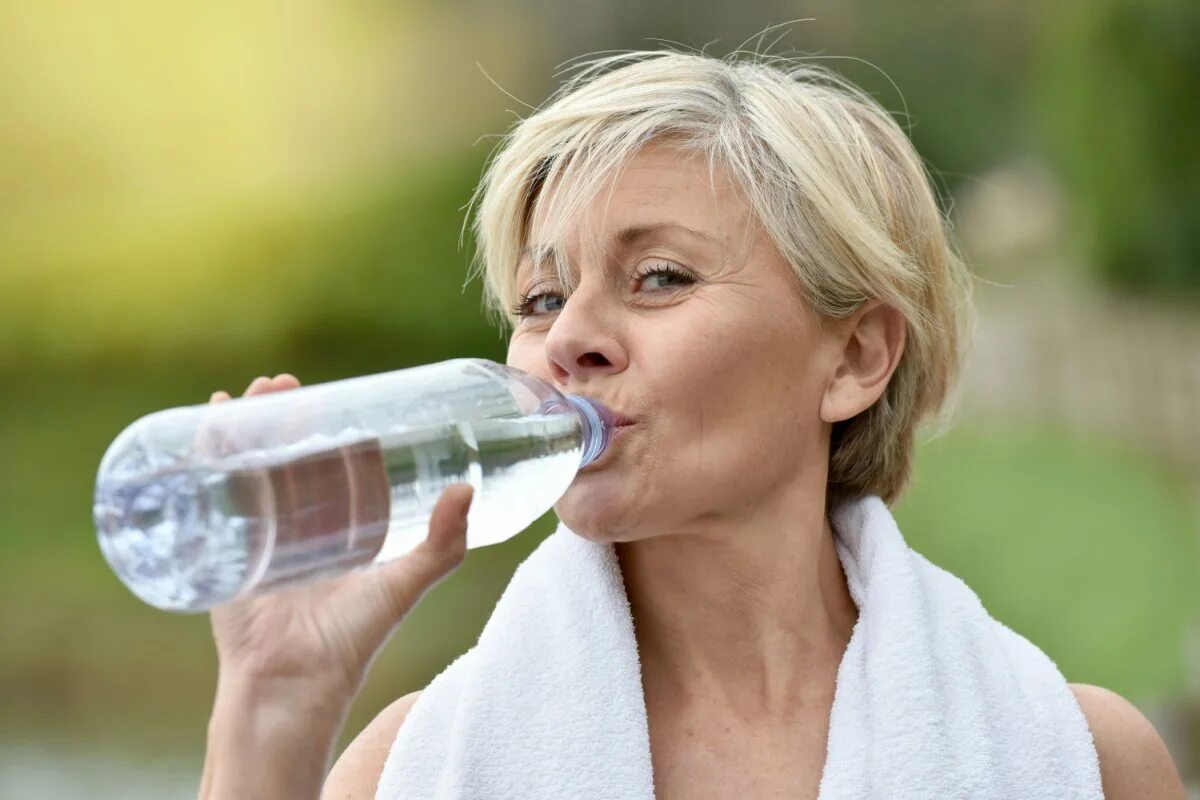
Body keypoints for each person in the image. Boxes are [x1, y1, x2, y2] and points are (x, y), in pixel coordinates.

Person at [197, 51, 1188, 799]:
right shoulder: (417, 766)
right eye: (541, 297)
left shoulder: (1075, 757)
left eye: (659, 276)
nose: (568, 338)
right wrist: (275, 701)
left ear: (853, 358)